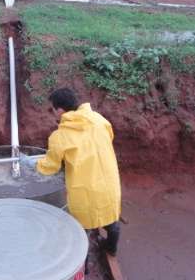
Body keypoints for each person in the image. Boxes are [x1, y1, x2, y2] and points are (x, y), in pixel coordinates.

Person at [21, 88, 122, 256]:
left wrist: (31, 163)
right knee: (111, 221)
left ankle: (83, 267)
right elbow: (107, 139)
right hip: (109, 183)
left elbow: (49, 167)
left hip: (86, 191)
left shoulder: (60, 136)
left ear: (60, 110)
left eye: (52, 109)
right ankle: (111, 248)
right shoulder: (99, 120)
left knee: (83, 231)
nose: (52, 113)